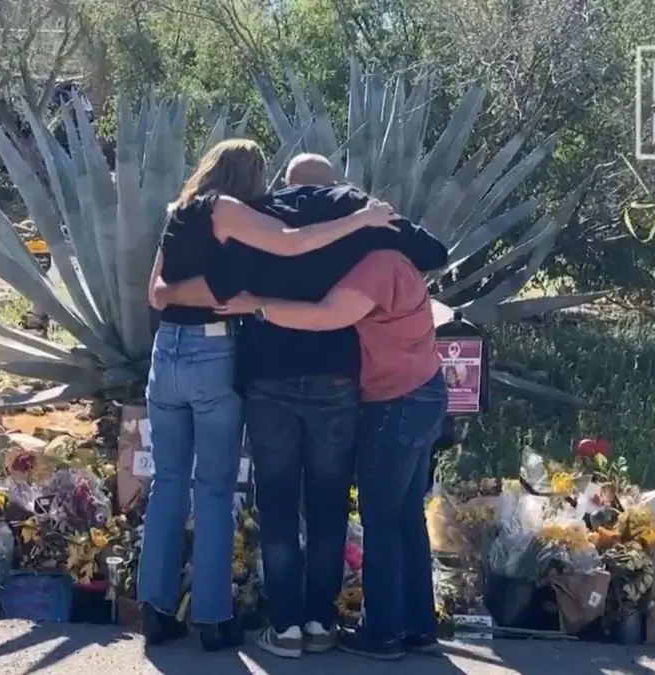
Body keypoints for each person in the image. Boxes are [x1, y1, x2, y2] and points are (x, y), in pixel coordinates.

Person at [152, 154, 447, 659]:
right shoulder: (357, 213)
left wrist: (178, 292)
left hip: (267, 375)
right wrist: (369, 217)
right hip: (335, 381)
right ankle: (320, 621)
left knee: (278, 505)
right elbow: (432, 251)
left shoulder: (256, 214)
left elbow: (220, 282)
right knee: (329, 505)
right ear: (337, 184)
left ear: (285, 183)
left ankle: (285, 626)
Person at [219, 246, 447, 661]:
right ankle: (419, 627)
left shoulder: (376, 266)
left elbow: (326, 315)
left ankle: (382, 632)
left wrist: (259, 305)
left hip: (393, 403)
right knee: (406, 516)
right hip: (426, 392)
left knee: (380, 520)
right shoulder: (404, 263)